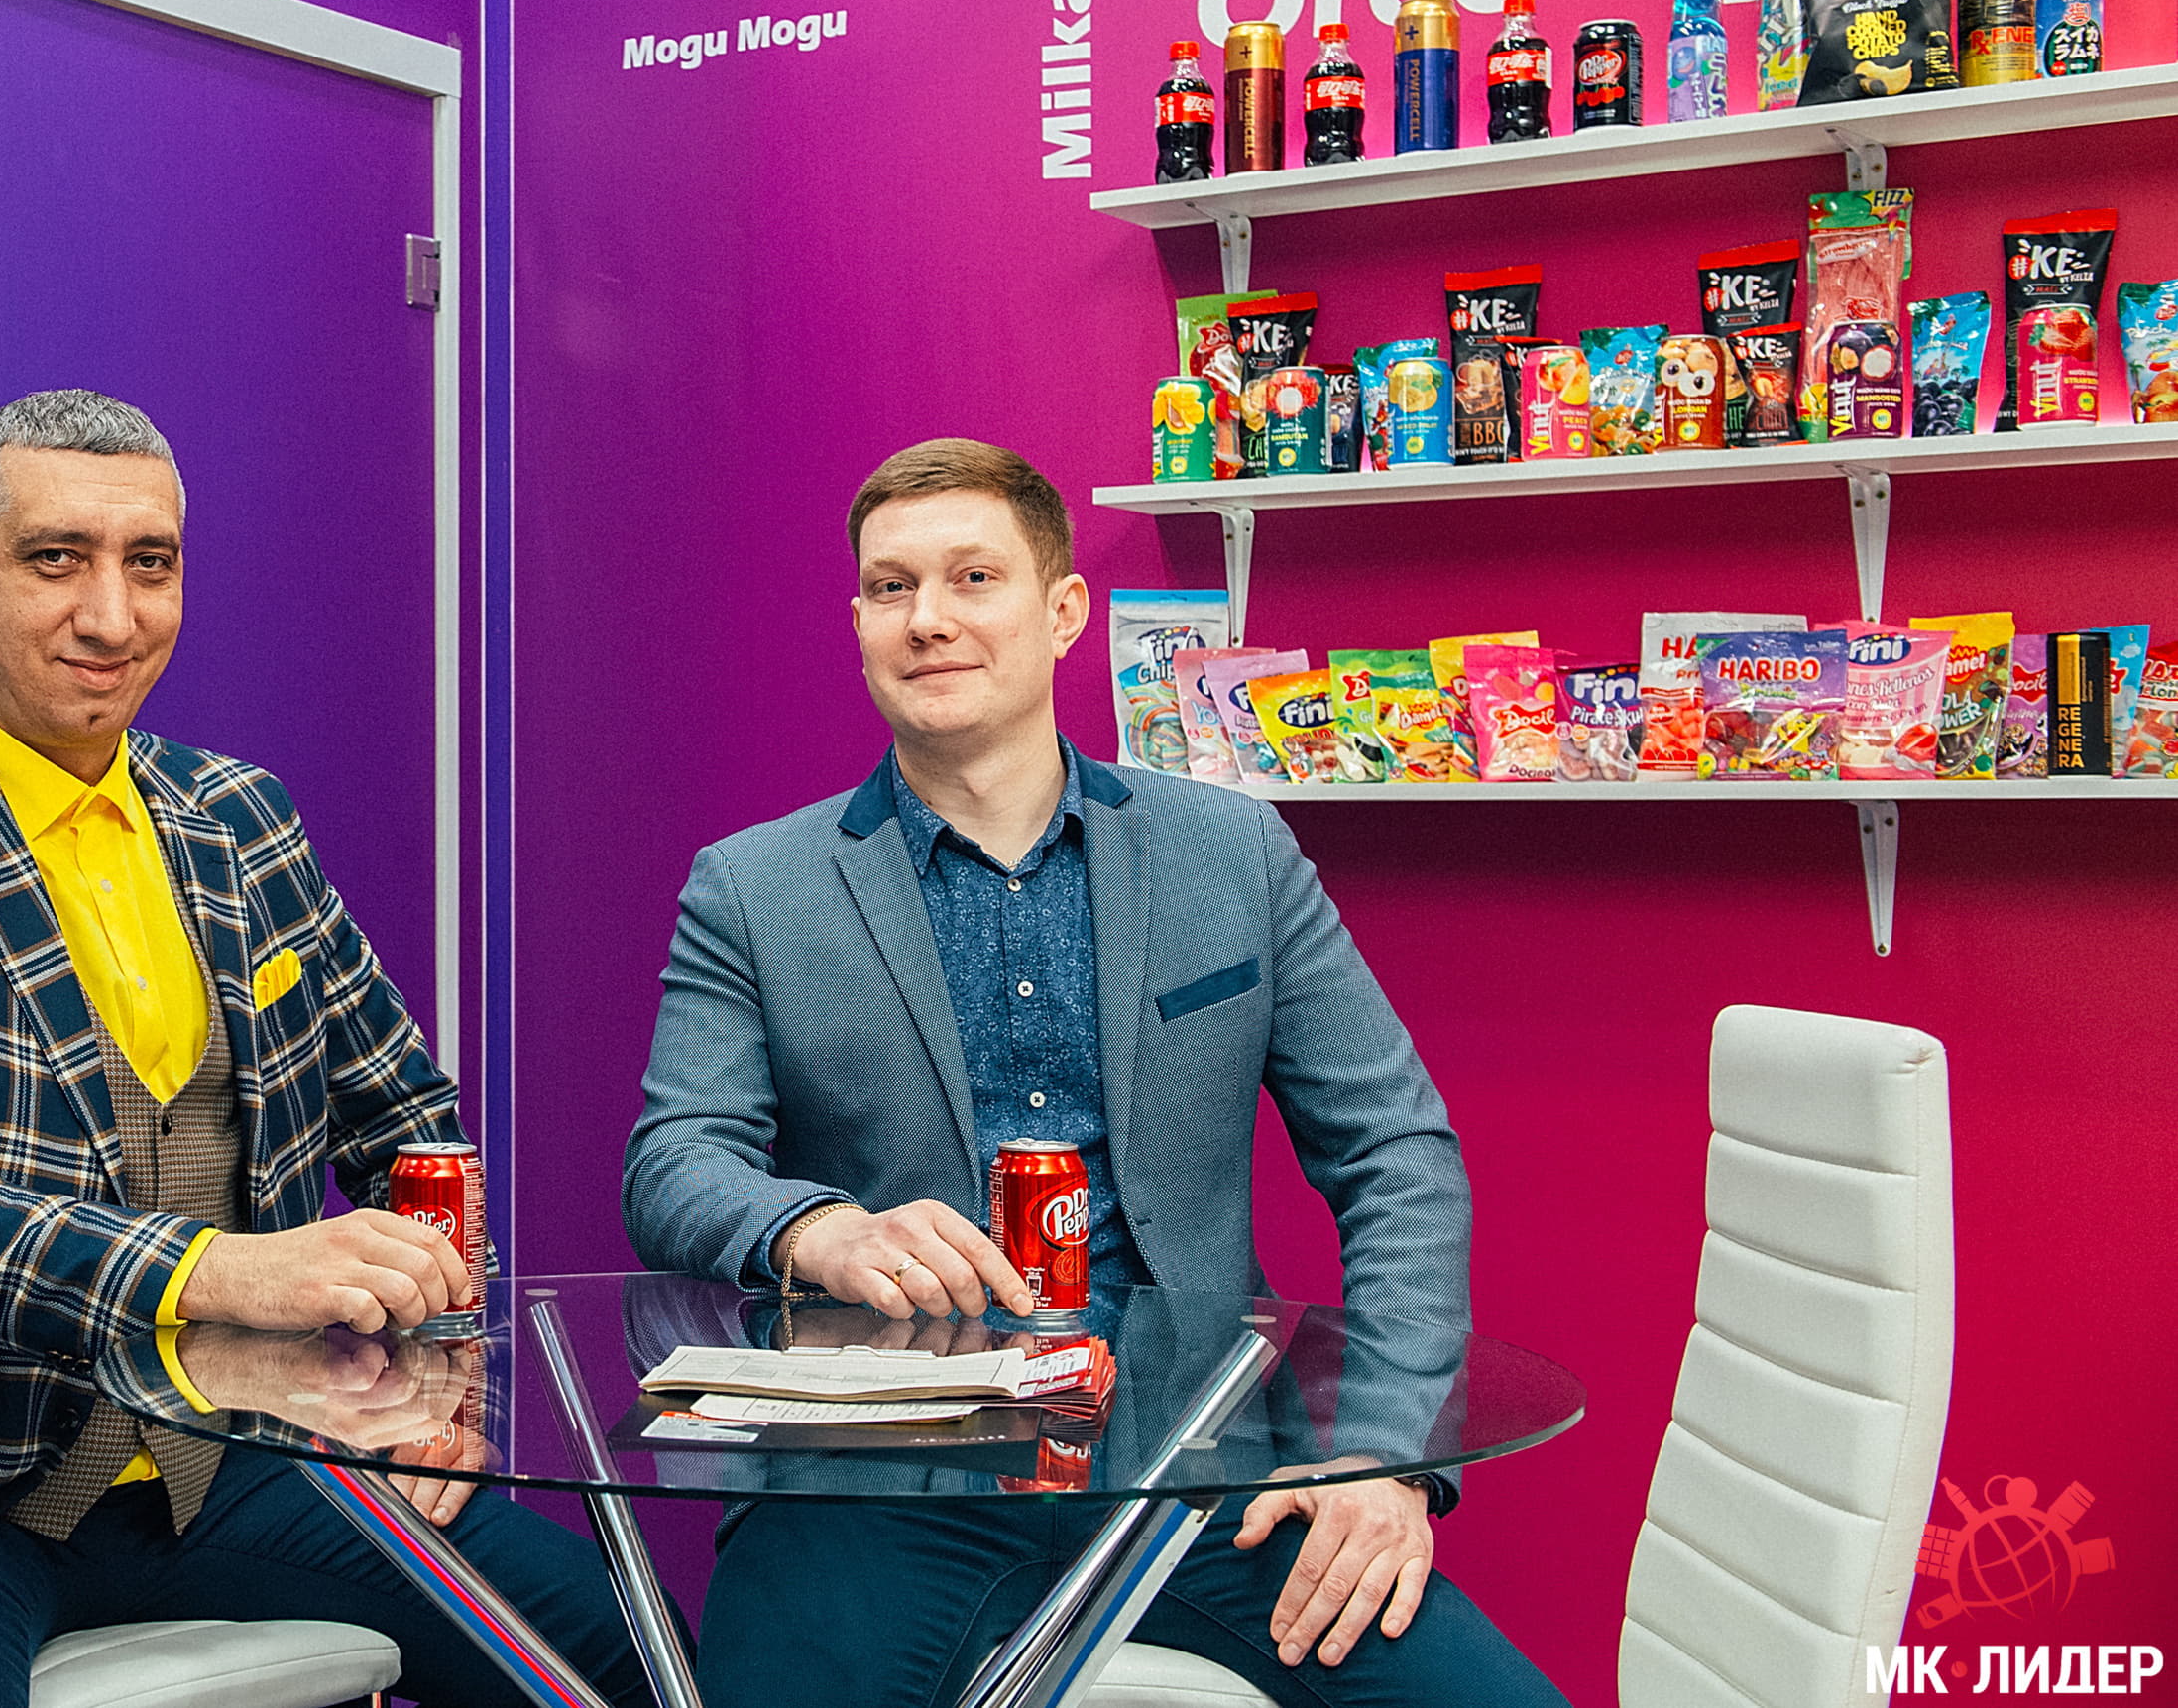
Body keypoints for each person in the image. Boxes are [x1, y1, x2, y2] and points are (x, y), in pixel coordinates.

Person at [0, 390, 645, 1707]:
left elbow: (413, 1124)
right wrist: (221, 1271)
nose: (111, 615)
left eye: (150, 563)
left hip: (227, 1458)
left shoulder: (240, 818)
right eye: (55, 558)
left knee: (629, 1658)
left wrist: (435, 1381)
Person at [623, 437, 1562, 1706]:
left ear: (1062, 609)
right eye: (891, 587)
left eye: (972, 576)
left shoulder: (1233, 854)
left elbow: (1394, 1153)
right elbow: (674, 1160)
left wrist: (1381, 1455)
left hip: (1202, 1469)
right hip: (874, 1478)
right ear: (858, 623)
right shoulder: (753, 886)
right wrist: (820, 1228)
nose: (928, 617)